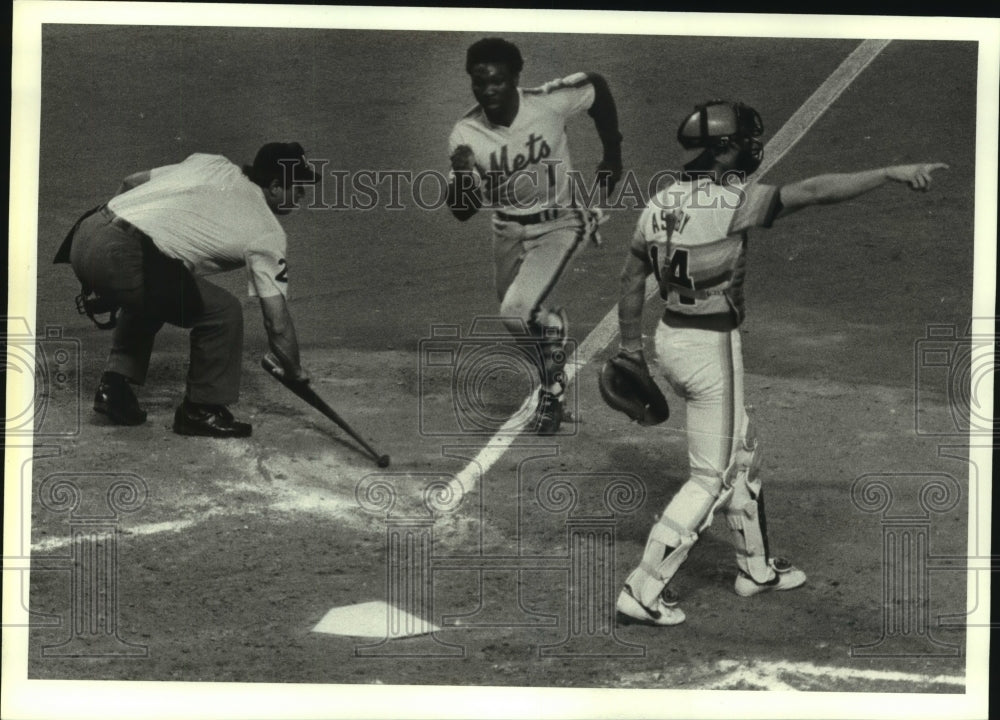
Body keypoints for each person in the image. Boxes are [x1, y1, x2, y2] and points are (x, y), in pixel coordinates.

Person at [613, 99, 947, 626]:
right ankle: (643, 588)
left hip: (669, 339)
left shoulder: (658, 204)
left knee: (742, 452)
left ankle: (756, 569)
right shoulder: (733, 202)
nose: (753, 148)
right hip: (710, 351)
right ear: (724, 150)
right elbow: (814, 191)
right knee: (711, 478)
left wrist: (630, 348)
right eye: (745, 141)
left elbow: (632, 280)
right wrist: (888, 173)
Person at [54, 142, 319, 438]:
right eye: (299, 188)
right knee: (223, 312)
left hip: (87, 231)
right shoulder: (268, 232)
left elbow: (131, 182)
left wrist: (107, 254)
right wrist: (294, 371)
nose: (302, 196)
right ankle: (201, 410)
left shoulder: (213, 164)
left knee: (163, 284)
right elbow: (276, 322)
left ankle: (114, 387)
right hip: (122, 257)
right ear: (275, 186)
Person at [447, 37, 623, 434]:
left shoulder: (548, 103)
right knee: (524, 317)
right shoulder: (465, 133)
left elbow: (596, 85)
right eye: (479, 82)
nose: (488, 90)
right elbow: (461, 211)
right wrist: (461, 176)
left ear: (515, 78)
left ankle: (552, 391)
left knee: (515, 311)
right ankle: (552, 331)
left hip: (560, 223)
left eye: (497, 81)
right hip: (506, 228)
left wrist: (613, 153)